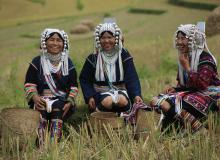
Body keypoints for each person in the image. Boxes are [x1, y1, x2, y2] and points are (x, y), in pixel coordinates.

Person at [150, 24, 220, 134]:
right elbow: (185, 85)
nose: (179, 42)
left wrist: (187, 67)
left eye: (183, 38)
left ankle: (199, 130)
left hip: (209, 94)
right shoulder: (186, 57)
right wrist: (175, 89)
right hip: (193, 92)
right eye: (178, 38)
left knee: (173, 104)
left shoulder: (206, 58)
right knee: (156, 101)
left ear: (193, 40)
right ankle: (180, 130)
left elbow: (202, 84)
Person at [24, 28, 78, 145]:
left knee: (58, 106)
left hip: (61, 100)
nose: (55, 43)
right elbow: (29, 84)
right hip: (41, 98)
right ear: (45, 42)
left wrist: (70, 101)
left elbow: (73, 86)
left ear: (64, 44)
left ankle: (54, 143)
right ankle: (41, 143)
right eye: (51, 40)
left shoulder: (68, 63)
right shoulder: (37, 61)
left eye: (59, 40)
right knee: (41, 108)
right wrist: (35, 97)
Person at [79, 22, 142, 113]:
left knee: (122, 101)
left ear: (115, 38)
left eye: (109, 37)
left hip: (121, 91)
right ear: (98, 39)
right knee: (107, 101)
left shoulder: (123, 55)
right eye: (103, 38)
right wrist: (90, 96)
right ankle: (98, 118)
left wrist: (136, 95)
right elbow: (84, 79)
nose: (106, 41)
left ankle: (124, 120)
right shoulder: (93, 58)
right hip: (100, 93)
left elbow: (132, 77)